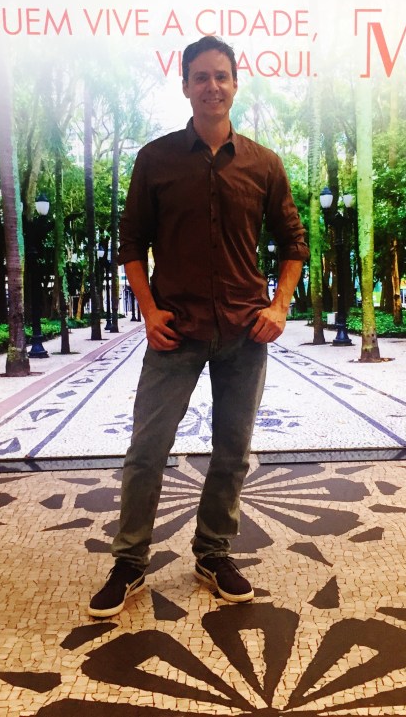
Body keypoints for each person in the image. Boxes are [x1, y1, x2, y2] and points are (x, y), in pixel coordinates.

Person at [88, 35, 308, 618]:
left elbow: (294, 242)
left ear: (235, 83)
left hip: (243, 331)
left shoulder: (264, 164)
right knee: (147, 450)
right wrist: (148, 309)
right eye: (201, 77)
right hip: (176, 331)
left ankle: (213, 554)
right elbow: (131, 243)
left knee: (232, 450)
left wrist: (279, 306)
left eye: (221, 75)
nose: (212, 86)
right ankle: (129, 563)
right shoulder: (156, 159)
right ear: (185, 85)